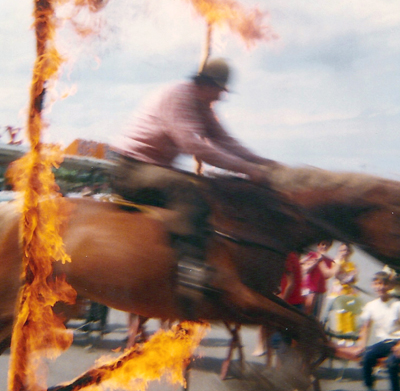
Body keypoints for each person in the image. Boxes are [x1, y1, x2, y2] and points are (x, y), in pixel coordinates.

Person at [111, 58, 277, 301]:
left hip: (151, 166)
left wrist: (262, 162)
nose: (220, 98)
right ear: (206, 85)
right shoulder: (178, 97)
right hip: (131, 169)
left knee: (213, 189)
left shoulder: (201, 105)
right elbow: (193, 145)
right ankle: (189, 275)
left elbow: (225, 140)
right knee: (189, 192)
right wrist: (247, 169)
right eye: (220, 91)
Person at [349, 271, 400, 391]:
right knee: (366, 357)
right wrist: (361, 344)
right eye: (377, 284)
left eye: (383, 284)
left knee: (392, 363)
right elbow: (366, 327)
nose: (380, 287)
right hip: (385, 343)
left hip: (399, 342)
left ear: (389, 286)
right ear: (373, 286)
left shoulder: (397, 305)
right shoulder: (371, 306)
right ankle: (370, 386)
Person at [301, 239, 340, 319]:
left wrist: (322, 261)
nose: (324, 246)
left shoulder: (329, 260)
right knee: (305, 310)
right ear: (318, 245)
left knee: (314, 315)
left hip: (320, 290)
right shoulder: (311, 255)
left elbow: (327, 275)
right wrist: (317, 260)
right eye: (323, 244)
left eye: (327, 245)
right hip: (308, 287)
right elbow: (305, 268)